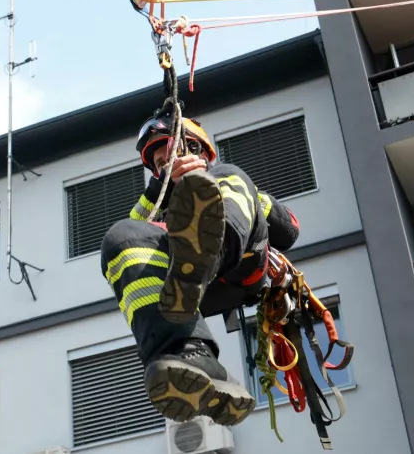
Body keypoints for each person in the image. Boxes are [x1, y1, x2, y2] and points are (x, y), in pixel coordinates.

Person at [100, 107, 301, 427]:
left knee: (228, 178)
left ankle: (205, 246)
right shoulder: (156, 202)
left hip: (243, 266)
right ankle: (191, 357)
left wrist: (206, 178)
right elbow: (131, 232)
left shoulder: (231, 179)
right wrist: (158, 192)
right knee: (119, 238)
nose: (166, 165)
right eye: (159, 164)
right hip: (192, 293)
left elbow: (289, 230)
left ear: (197, 148)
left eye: (171, 155)